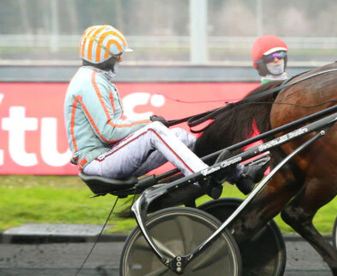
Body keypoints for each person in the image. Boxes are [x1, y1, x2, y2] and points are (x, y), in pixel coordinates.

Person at [64, 24, 265, 195]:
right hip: (98, 163)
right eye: (117, 56)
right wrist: (149, 121)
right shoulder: (89, 83)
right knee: (154, 131)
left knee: (179, 135)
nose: (121, 60)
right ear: (102, 55)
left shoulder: (96, 80)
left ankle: (239, 173)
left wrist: (148, 122)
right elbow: (108, 132)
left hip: (109, 156)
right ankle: (202, 177)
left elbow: (115, 130)